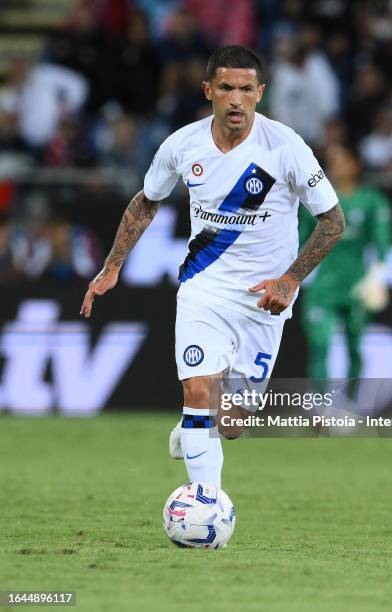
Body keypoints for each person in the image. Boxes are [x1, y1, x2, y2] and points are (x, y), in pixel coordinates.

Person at [80, 46, 345, 488]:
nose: (236, 99)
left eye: (246, 89)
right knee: (198, 392)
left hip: (264, 300)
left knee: (233, 422)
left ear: (261, 92)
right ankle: (205, 503)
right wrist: (113, 264)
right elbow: (146, 202)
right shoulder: (182, 145)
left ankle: (194, 429)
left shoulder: (287, 148)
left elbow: (333, 222)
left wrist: (290, 278)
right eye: (226, 88)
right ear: (208, 91)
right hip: (203, 288)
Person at [299, 144, 392, 382]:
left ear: (355, 165)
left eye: (341, 160)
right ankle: (320, 409)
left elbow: (383, 241)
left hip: (356, 286)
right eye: (332, 162)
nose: (335, 167)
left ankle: (351, 406)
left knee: (355, 348)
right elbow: (298, 239)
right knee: (320, 345)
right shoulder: (316, 200)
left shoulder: (371, 201)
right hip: (324, 288)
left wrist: (377, 275)